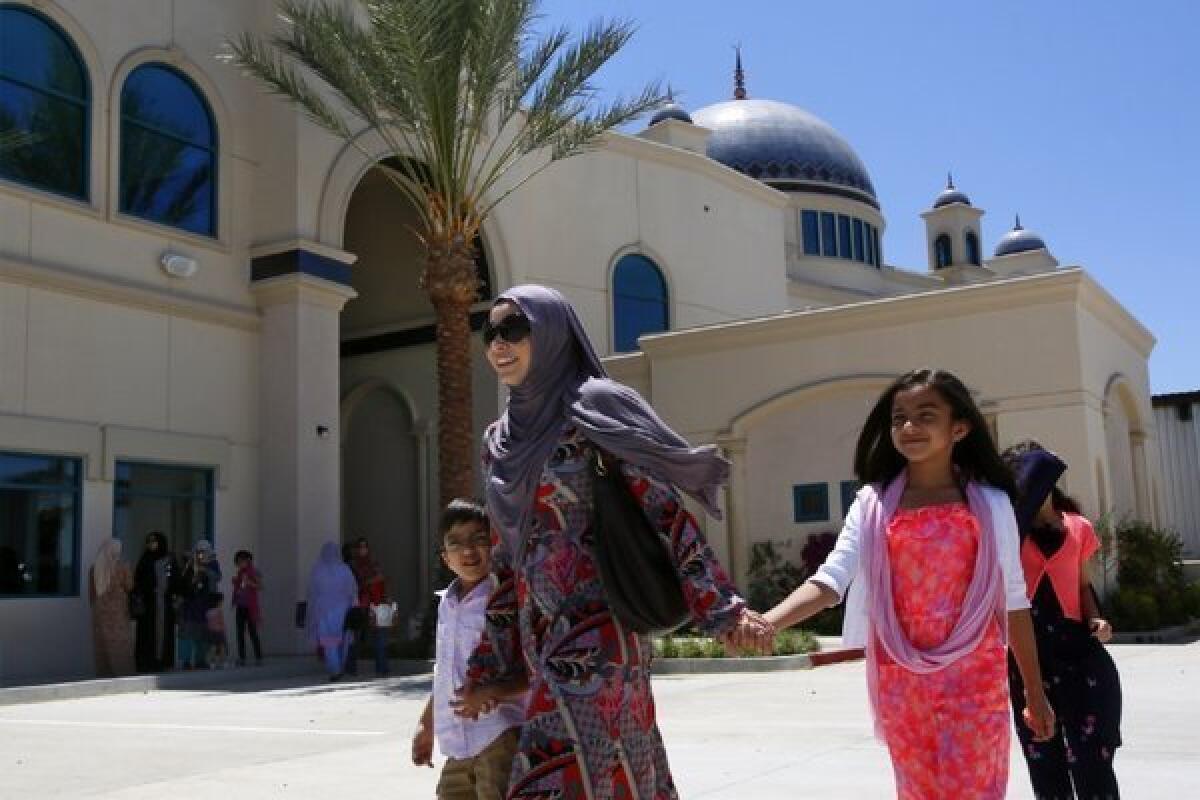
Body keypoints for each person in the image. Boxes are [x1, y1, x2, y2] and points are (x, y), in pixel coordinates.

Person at [466, 285, 773, 800]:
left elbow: (665, 514)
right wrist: (492, 662)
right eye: (490, 331)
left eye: (515, 329)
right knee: (620, 761)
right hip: (540, 630)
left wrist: (722, 608)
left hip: (603, 625)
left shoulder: (593, 407)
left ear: (552, 334)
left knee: (555, 773)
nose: (499, 343)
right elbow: (505, 559)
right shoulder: (498, 441)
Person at [762, 368, 1055, 799]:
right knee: (918, 792)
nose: (909, 427)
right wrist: (769, 622)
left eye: (925, 415)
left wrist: (1034, 690)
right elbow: (831, 579)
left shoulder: (990, 504)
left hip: (975, 678)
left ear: (960, 427)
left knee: (975, 790)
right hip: (902, 678)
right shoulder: (873, 503)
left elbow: (1013, 600)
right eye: (899, 418)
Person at [1003, 441, 1123, 799]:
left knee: (1093, 765)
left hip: (1081, 657)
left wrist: (1097, 620)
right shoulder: (1009, 531)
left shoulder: (1078, 526)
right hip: (1028, 661)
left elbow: (1083, 586)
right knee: (1045, 767)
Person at [413, 499, 528, 800]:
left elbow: (530, 664)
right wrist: (427, 724)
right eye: (456, 543)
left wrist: (492, 692)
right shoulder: (446, 604)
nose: (468, 551)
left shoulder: (504, 599)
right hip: (457, 741)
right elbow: (446, 670)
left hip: (498, 734)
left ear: (494, 545)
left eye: (479, 540)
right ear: (444, 557)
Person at [306, 541, 358, 681]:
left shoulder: (317, 570)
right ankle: (339, 666)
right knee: (343, 640)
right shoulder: (344, 569)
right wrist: (353, 606)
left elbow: (311, 592)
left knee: (329, 642)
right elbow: (352, 591)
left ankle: (335, 670)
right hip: (342, 611)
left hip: (323, 611)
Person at [88, 538, 135, 677]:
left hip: (99, 611)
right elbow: (130, 586)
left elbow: (91, 594)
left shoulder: (94, 568)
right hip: (118, 611)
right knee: (120, 644)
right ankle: (123, 673)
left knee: (102, 644)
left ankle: (104, 674)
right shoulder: (122, 566)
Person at [133, 532, 178, 672]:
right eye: (149, 541)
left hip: (164, 602)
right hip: (149, 604)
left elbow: (175, 578)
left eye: (154, 541)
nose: (151, 544)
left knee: (163, 632)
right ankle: (146, 662)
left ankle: (163, 661)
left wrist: (171, 592)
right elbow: (138, 580)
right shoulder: (144, 559)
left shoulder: (169, 559)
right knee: (147, 633)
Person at [178, 540, 221, 670]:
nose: (201, 555)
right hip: (190, 604)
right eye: (198, 552)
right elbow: (183, 580)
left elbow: (217, 577)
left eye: (203, 552)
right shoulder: (190, 564)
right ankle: (185, 661)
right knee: (187, 633)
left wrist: (205, 570)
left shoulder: (213, 564)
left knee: (203, 633)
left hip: (205, 604)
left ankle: (201, 660)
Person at [351, 537, 388, 676]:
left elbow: (381, 578)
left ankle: (382, 667)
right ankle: (351, 668)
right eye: (360, 546)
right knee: (356, 637)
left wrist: (367, 582)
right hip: (360, 605)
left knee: (380, 637)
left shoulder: (373, 563)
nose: (362, 549)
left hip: (377, 603)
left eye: (365, 546)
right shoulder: (353, 565)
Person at [231, 550, 264, 666]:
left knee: (252, 632)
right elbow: (239, 587)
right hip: (240, 606)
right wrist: (236, 582)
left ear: (247, 560)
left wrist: (249, 582)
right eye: (238, 562)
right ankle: (241, 657)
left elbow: (260, 586)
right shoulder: (240, 572)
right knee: (239, 632)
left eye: (241, 561)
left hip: (250, 606)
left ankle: (258, 657)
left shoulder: (254, 571)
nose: (239, 564)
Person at [206, 592, 230, 669]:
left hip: (211, 632)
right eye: (221, 601)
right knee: (222, 647)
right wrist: (224, 630)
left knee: (213, 647)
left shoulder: (208, 612)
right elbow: (221, 622)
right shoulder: (219, 611)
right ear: (218, 602)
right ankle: (223, 662)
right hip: (219, 631)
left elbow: (208, 623)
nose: (222, 603)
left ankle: (212, 663)